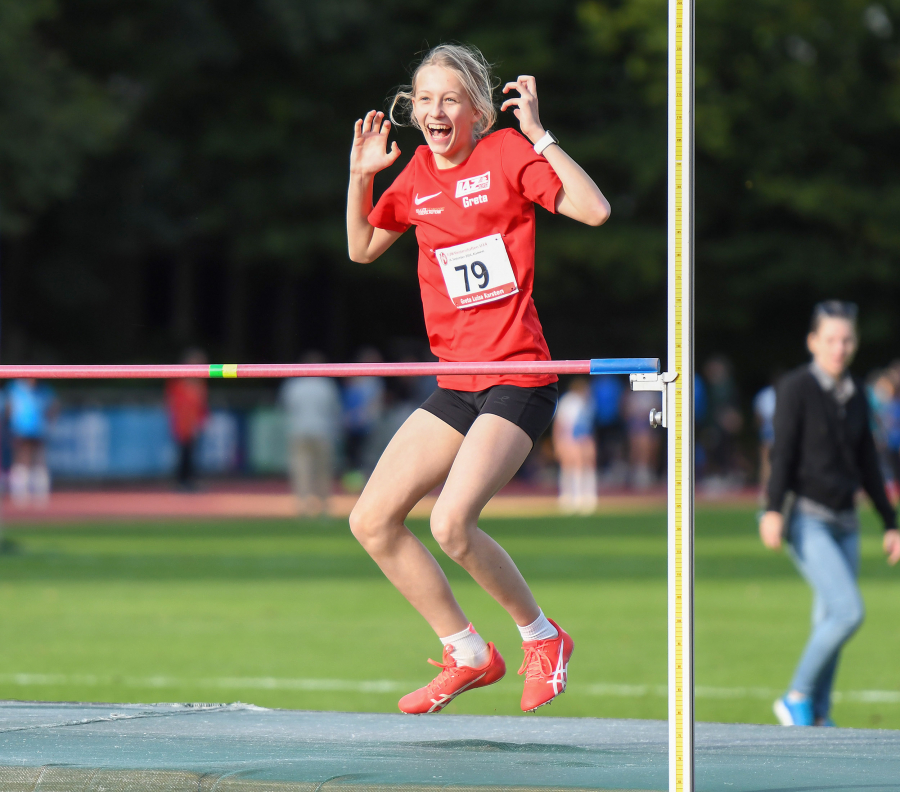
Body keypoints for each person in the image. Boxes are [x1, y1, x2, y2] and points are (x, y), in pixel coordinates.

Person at [346, 43, 610, 714]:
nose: (435, 112)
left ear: (476, 109)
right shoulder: (411, 177)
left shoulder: (504, 155)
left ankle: (542, 637)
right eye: (424, 100)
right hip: (458, 382)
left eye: (449, 100)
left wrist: (541, 138)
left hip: (519, 375)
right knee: (372, 520)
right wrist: (361, 177)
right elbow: (361, 249)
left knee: (451, 521)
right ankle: (466, 650)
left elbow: (594, 209)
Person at [759, 301, 900, 727]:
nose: (839, 348)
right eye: (831, 340)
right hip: (808, 517)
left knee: (828, 617)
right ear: (813, 342)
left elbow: (868, 465)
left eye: (847, 340)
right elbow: (781, 454)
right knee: (847, 611)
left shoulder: (857, 393)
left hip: (847, 522)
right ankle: (796, 696)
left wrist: (891, 522)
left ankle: (818, 713)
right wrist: (771, 509)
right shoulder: (796, 387)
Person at [280, 351, 343, 517]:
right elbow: (334, 409)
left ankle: (303, 505)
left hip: (299, 431)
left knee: (302, 470)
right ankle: (323, 506)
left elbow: (286, 407)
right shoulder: (327, 385)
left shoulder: (294, 385)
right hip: (322, 431)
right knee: (323, 471)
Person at [5, 379, 57, 506]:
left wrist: (49, 420)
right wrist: (10, 425)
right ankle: (20, 496)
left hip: (38, 429)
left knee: (39, 460)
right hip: (21, 429)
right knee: (22, 459)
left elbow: (54, 405)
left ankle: (40, 496)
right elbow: (8, 407)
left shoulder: (43, 389)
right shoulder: (15, 388)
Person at [165, 349, 208, 491]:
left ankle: (189, 481)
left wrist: (201, 422)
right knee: (184, 453)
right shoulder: (179, 384)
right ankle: (181, 481)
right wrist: (179, 423)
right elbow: (173, 404)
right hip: (183, 425)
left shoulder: (200, 385)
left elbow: (201, 406)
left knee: (192, 453)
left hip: (194, 424)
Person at [553, 378, 597, 514]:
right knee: (570, 465)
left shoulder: (588, 401)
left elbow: (589, 424)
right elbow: (560, 423)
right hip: (569, 436)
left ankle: (589, 495)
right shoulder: (569, 401)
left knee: (588, 463)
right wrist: (558, 442)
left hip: (584, 436)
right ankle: (570, 496)